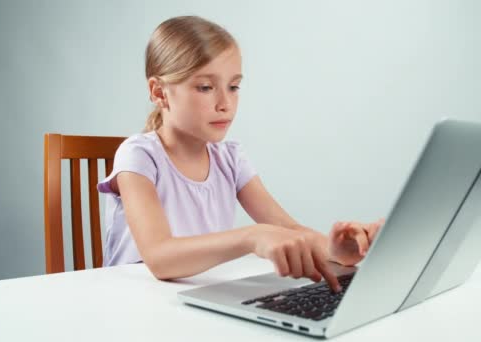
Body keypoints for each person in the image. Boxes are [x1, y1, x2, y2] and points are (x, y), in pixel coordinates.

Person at [97, 16, 384, 293]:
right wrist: (251, 236)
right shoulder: (138, 156)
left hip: (194, 296)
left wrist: (333, 250)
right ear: (159, 92)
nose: (225, 103)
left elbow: (288, 228)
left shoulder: (230, 158)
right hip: (135, 303)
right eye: (206, 87)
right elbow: (160, 257)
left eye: (234, 87)